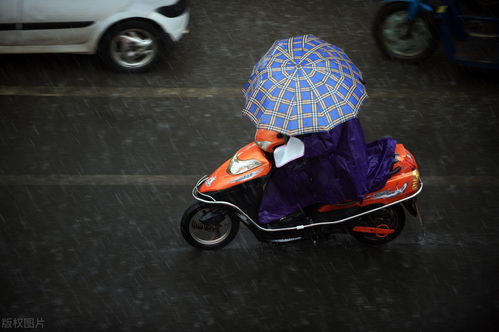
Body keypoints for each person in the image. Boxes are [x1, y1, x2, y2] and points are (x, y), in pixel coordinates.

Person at [255, 117, 396, 224]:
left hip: (341, 164)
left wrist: (300, 145)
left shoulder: (331, 116)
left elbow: (325, 143)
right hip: (346, 153)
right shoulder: (332, 108)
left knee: (289, 175)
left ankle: (276, 214)